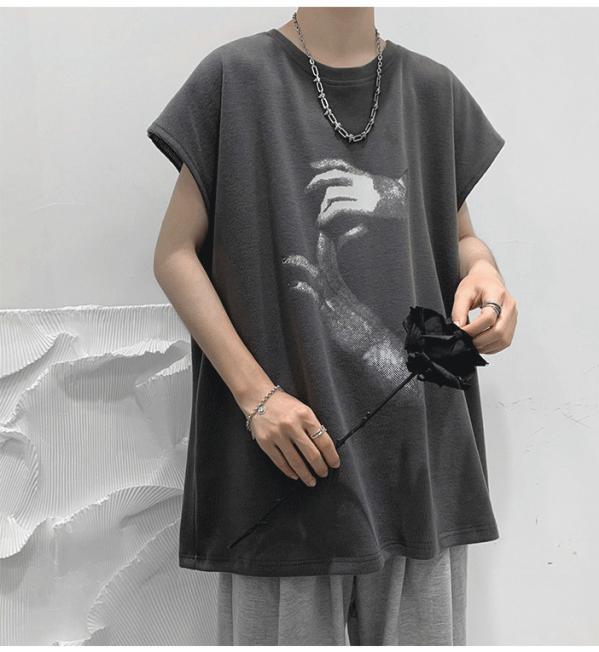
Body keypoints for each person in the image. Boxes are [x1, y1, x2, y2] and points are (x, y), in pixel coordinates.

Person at [148, 7, 517, 645]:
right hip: (286, 468)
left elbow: (458, 238)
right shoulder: (236, 79)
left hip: (420, 464)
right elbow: (175, 255)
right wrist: (256, 397)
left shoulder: (433, 91)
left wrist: (486, 274)